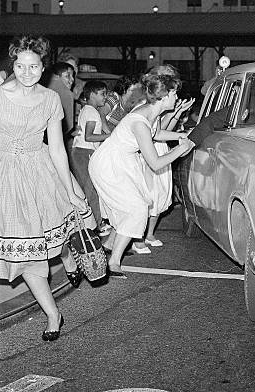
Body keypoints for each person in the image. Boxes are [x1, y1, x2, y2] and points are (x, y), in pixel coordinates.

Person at [0, 35, 87, 341]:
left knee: (33, 254)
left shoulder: (50, 100)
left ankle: (52, 313)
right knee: (22, 254)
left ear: (43, 67)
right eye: (20, 65)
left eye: (33, 66)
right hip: (4, 179)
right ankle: (53, 311)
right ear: (13, 64)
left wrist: (71, 189)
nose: (26, 72)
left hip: (38, 178)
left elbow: (58, 150)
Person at [89, 73, 194, 277]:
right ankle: (113, 262)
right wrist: (180, 149)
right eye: (173, 93)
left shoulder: (149, 111)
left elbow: (155, 134)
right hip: (110, 164)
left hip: (123, 161)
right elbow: (155, 163)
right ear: (163, 97)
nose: (176, 97)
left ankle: (109, 247)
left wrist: (182, 136)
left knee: (134, 206)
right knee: (136, 208)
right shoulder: (140, 120)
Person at [131, 65, 194, 254]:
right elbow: (152, 134)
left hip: (160, 145)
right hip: (148, 149)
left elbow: (162, 129)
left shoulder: (165, 104)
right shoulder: (147, 104)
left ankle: (149, 233)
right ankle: (137, 237)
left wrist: (177, 113)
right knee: (147, 194)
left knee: (160, 193)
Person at [71, 80, 111, 229]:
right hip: (84, 152)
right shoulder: (92, 112)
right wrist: (111, 136)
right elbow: (89, 136)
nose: (105, 97)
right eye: (102, 94)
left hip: (80, 151)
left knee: (87, 188)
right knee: (90, 189)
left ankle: (91, 223)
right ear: (92, 94)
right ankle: (96, 224)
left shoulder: (86, 109)